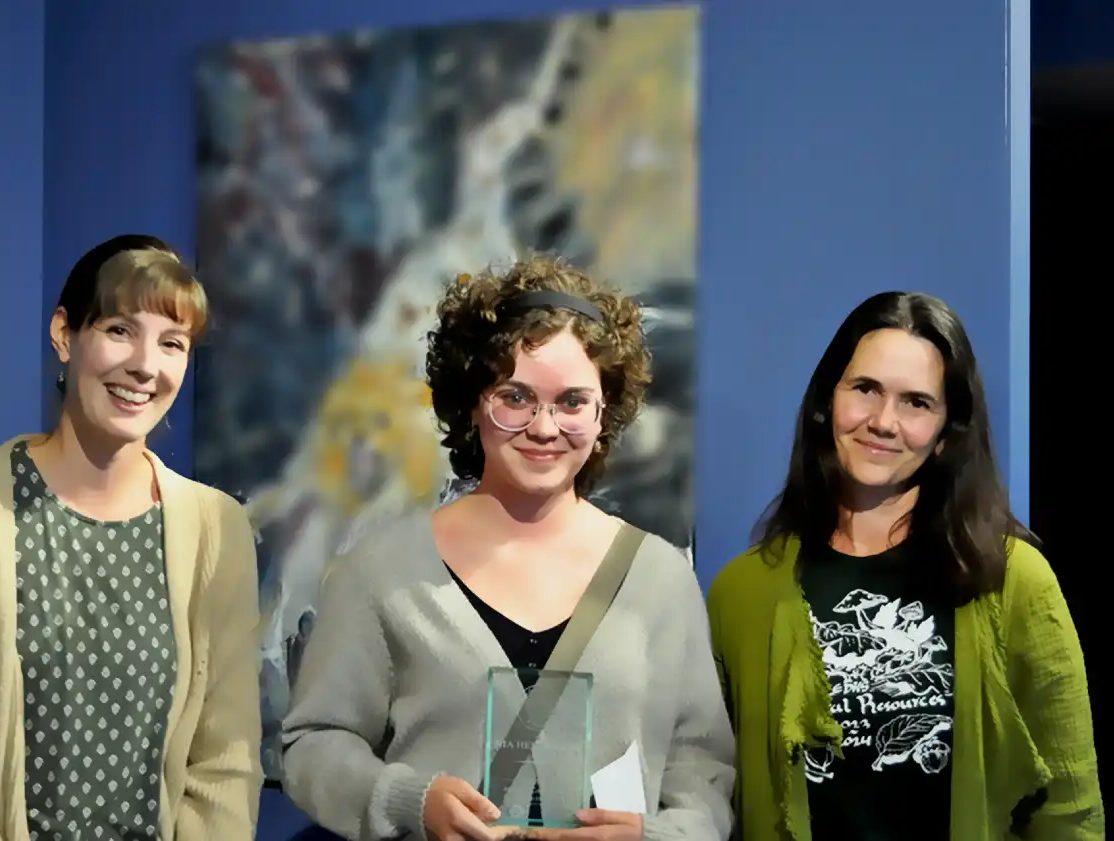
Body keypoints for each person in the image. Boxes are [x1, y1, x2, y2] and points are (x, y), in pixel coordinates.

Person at [283, 257, 735, 841]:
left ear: (604, 413)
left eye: (572, 401)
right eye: (515, 397)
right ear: (473, 404)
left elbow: (702, 773)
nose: (544, 428)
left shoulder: (660, 580)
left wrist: (657, 836)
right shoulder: (381, 572)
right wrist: (410, 801)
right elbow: (314, 746)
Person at [707, 292, 1103, 840]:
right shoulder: (742, 591)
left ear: (946, 434)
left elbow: (1070, 808)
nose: (884, 422)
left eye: (916, 402)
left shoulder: (1013, 578)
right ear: (826, 402)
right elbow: (710, 793)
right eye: (865, 389)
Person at [0, 235, 264, 841]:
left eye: (172, 343)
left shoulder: (217, 527)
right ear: (64, 334)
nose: (146, 366)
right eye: (120, 330)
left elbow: (225, 765)